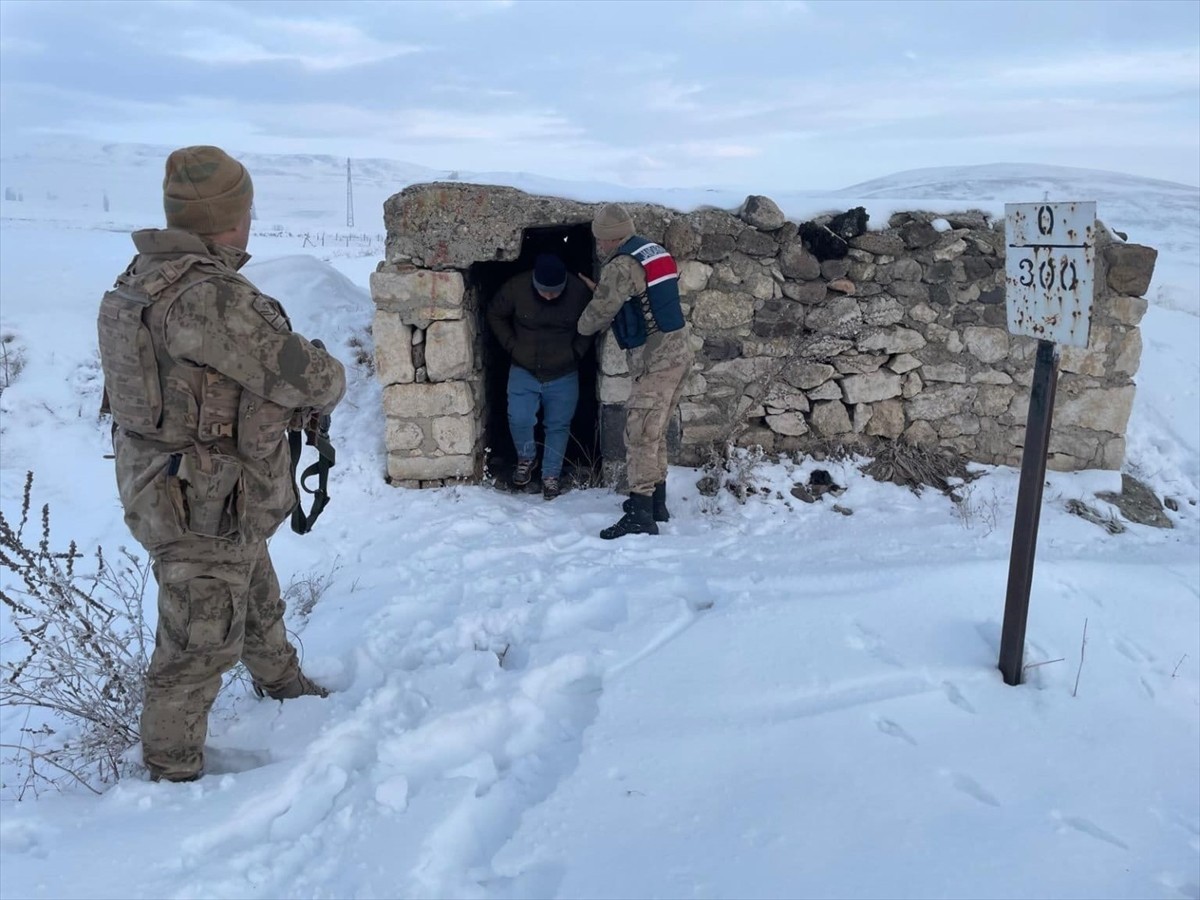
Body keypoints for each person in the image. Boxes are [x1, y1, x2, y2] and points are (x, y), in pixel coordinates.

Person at [96, 145, 346, 783]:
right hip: (202, 499)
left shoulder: (144, 277)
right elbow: (310, 379)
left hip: (179, 487)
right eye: (247, 208)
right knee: (198, 644)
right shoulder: (209, 297)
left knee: (254, 589)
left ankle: (283, 686)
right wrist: (325, 369)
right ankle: (171, 775)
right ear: (231, 218)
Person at [578, 204, 694, 539]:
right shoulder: (652, 250)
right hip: (679, 351)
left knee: (640, 433)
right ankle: (657, 503)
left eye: (600, 240)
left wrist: (579, 326)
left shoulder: (621, 264)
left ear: (610, 238)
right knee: (655, 430)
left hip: (655, 359)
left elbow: (599, 313)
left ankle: (641, 514)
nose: (599, 246)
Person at [487, 253, 593, 500]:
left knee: (558, 425)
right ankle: (526, 458)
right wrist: (511, 345)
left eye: (555, 292)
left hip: (564, 371)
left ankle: (551, 475)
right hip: (524, 368)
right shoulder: (516, 287)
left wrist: (577, 351)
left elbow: (594, 319)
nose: (548, 296)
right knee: (519, 418)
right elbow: (494, 313)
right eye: (544, 291)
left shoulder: (579, 292)